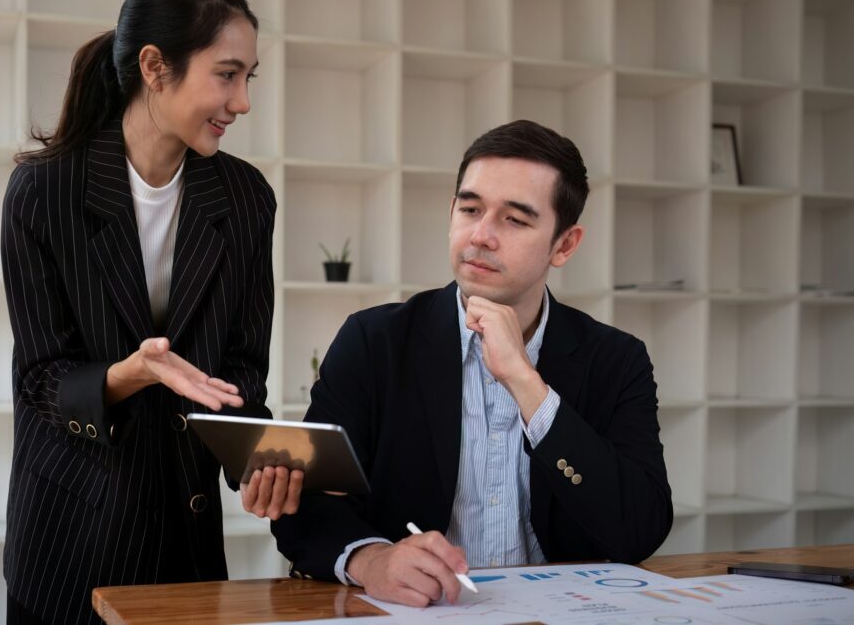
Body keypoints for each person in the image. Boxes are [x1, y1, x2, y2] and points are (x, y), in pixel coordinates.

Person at [1, 0, 301, 624]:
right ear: (155, 67)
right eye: (226, 74)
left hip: (186, 536)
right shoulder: (43, 195)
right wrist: (127, 376)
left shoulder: (247, 199)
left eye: (249, 77)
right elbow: (40, 378)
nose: (242, 101)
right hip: (70, 538)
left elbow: (243, 365)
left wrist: (259, 459)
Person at [271, 120, 672, 607]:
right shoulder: (373, 341)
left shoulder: (616, 359)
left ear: (564, 245)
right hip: (420, 614)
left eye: (515, 220)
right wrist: (372, 560)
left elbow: (641, 528)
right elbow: (306, 507)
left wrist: (527, 384)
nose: (480, 235)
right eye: (470, 208)